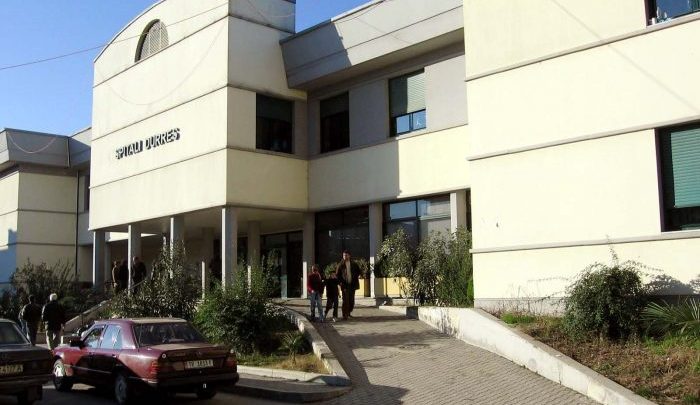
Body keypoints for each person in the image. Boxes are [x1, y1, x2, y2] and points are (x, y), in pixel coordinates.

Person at [335, 250, 361, 320]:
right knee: (345, 300)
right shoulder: (341, 265)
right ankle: (345, 315)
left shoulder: (354, 264)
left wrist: (358, 276)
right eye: (343, 255)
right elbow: (337, 275)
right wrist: (340, 282)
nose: (344, 257)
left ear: (349, 256)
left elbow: (359, 271)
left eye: (346, 255)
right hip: (345, 285)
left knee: (351, 301)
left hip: (352, 285)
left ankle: (348, 313)